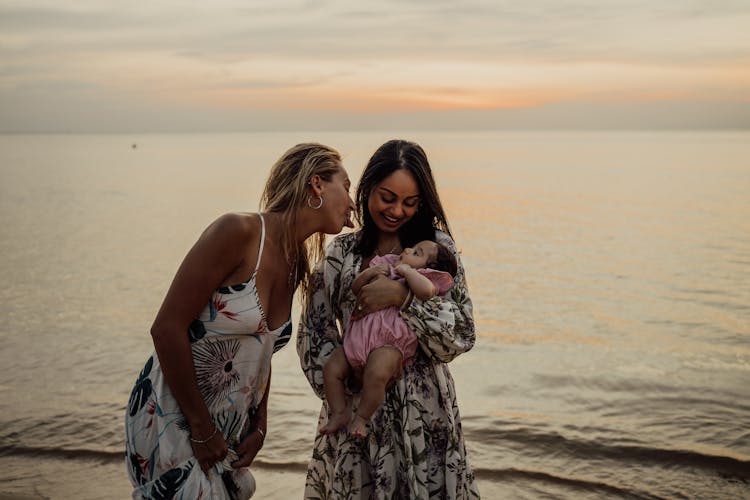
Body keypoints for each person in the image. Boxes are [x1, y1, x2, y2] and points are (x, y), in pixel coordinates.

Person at [124, 143, 355, 499]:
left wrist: (260, 424)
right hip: (173, 413)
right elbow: (166, 328)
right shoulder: (239, 232)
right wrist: (200, 427)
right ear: (316, 185)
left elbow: (261, 350)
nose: (352, 201)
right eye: (347, 186)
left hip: (225, 429)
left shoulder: (296, 262)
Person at [297, 139, 480, 499]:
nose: (397, 210)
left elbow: (462, 333)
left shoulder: (437, 250)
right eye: (387, 197)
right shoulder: (341, 255)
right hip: (355, 415)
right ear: (367, 189)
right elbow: (313, 335)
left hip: (424, 416)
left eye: (410, 203)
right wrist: (350, 391)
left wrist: (405, 297)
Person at [320, 240, 458, 438]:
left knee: (376, 374)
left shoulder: (422, 278)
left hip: (388, 343)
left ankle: (361, 418)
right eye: (412, 247)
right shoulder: (385, 264)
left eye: (416, 253)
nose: (407, 249)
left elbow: (427, 292)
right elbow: (356, 288)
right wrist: (369, 273)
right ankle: (340, 412)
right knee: (331, 368)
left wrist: (408, 272)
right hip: (358, 339)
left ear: (429, 268)